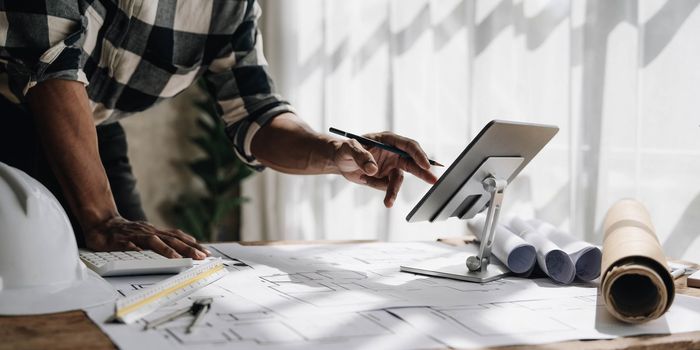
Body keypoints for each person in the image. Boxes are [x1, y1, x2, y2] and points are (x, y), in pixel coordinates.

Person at [0, 1, 437, 260]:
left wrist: (335, 150)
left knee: (134, 277)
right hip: (10, 110)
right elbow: (50, 68)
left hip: (95, 126)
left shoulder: (232, 7)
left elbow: (257, 112)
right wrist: (103, 218)